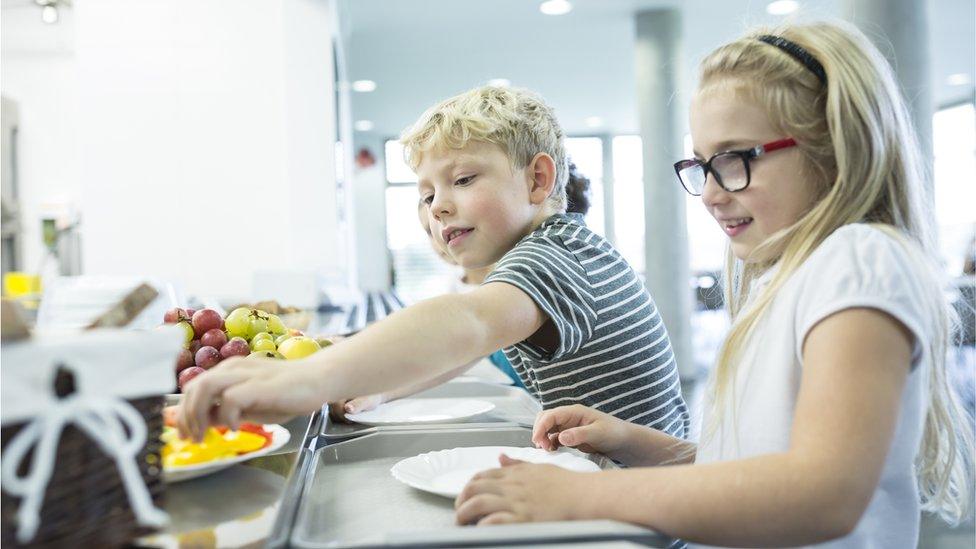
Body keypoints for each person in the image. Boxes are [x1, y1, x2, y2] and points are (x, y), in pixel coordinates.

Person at [454, 21, 973, 548]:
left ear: (832, 147)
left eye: (734, 159)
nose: (710, 193)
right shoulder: (785, 279)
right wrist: (634, 441)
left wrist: (575, 497)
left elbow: (822, 493)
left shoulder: (860, 260)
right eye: (703, 165)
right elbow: (753, 471)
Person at [179, 86, 689, 443]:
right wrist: (379, 386)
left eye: (463, 179)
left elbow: (465, 323)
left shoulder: (559, 256)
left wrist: (309, 378)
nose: (437, 206)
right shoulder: (551, 254)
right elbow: (466, 351)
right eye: (426, 193)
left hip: (641, 507)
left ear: (537, 180)